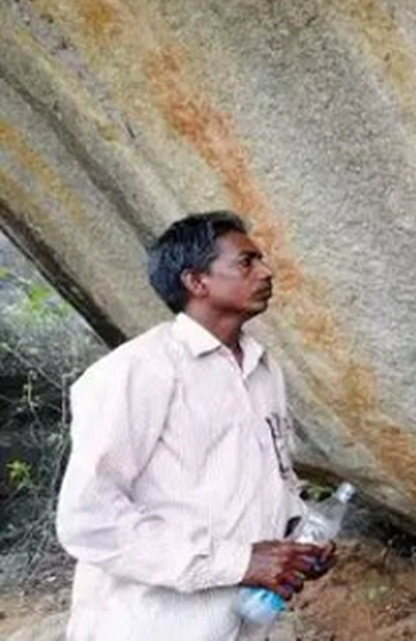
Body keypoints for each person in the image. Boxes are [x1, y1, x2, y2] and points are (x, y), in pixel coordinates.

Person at [56, 211, 335, 640]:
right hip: (151, 626)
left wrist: (299, 543)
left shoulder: (264, 369)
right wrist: (238, 562)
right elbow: (88, 518)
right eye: (246, 262)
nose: (266, 271)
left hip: (239, 623)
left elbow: (272, 477)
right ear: (196, 282)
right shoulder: (137, 371)